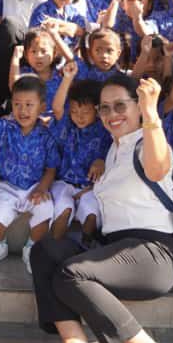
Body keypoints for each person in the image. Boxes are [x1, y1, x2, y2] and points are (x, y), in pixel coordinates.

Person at [30, 76, 173, 343]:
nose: (112, 114)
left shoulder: (147, 141)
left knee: (71, 274)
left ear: (138, 107)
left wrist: (151, 113)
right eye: (105, 108)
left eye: (121, 106)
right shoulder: (114, 148)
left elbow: (158, 168)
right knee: (45, 251)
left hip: (152, 254)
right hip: (114, 248)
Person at [0, 77, 59, 273]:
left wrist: (42, 188)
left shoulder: (46, 136)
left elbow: (51, 168)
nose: (23, 110)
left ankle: (31, 247)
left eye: (29, 105)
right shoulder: (6, 128)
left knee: (46, 211)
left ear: (42, 107)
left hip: (33, 186)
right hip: (6, 185)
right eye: (17, 104)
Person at [49, 65, 109, 244]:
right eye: (74, 111)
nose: (79, 117)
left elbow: (114, 157)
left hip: (90, 188)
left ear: (97, 111)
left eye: (85, 112)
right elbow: (58, 108)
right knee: (64, 207)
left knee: (91, 212)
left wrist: (101, 161)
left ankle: (84, 245)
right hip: (64, 182)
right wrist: (67, 78)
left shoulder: (105, 130)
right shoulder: (67, 125)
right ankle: (52, 246)